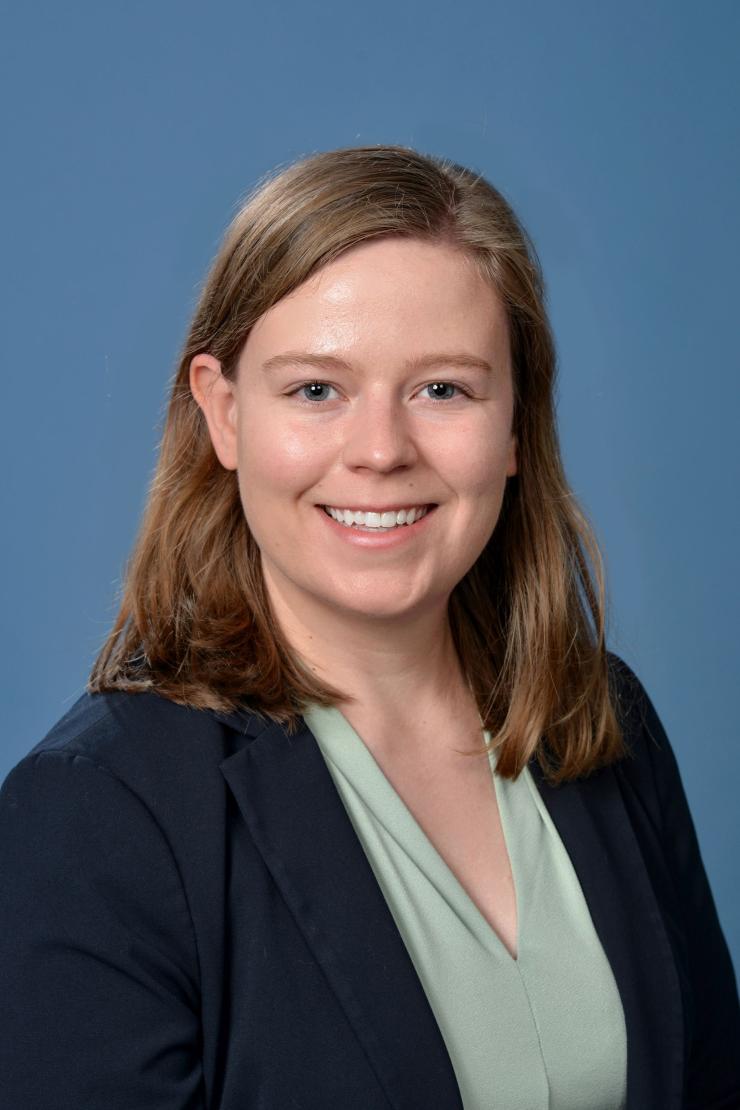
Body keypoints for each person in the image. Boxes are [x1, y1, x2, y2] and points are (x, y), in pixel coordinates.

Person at [0, 145, 737, 1110]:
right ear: (224, 415)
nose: (382, 451)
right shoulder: (95, 817)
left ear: (516, 423)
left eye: (443, 389)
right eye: (317, 390)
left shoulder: (600, 720)